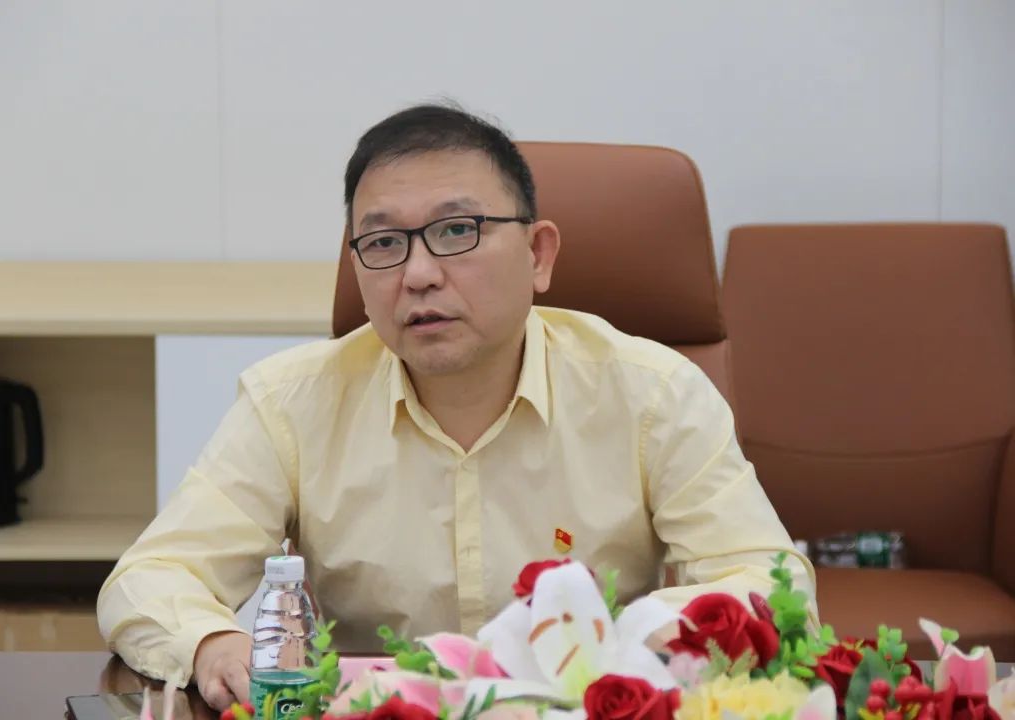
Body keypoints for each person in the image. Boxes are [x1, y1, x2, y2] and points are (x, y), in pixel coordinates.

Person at [98, 103, 815, 711]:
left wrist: (635, 637)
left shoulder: (655, 393)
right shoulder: (290, 403)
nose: (418, 274)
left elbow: (771, 585)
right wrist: (211, 641)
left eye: (455, 231)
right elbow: (151, 578)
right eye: (384, 242)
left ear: (538, 254)